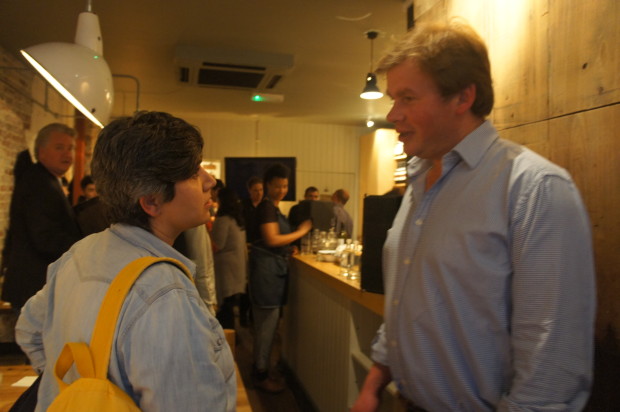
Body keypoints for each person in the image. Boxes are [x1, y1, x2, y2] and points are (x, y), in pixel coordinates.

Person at [352, 20, 596, 412]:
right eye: (392, 99)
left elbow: (552, 363)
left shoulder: (534, 188)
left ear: (463, 97)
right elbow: (406, 304)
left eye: (407, 98)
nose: (393, 114)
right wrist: (375, 382)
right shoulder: (418, 181)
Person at [15, 111, 236, 411]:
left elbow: (29, 329)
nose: (209, 180)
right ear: (151, 202)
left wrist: (76, 390)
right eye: (191, 172)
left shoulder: (80, 252)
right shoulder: (165, 294)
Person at [1, 124, 81, 311]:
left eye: (70, 148)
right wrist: (84, 245)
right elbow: (45, 238)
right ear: (41, 151)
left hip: (34, 285)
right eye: (59, 147)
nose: (67, 154)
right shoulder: (39, 184)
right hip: (33, 285)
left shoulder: (46, 180)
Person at [249, 163, 312, 393]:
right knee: (266, 328)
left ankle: (261, 368)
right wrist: (302, 232)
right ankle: (260, 376)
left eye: (285, 186)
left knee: (268, 326)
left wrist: (288, 249)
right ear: (267, 185)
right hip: (266, 276)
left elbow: (276, 243)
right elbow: (272, 239)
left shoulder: (272, 208)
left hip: (271, 272)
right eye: (277, 186)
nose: (282, 190)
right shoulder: (266, 208)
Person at [211, 187, 248, 329]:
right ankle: (234, 338)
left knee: (226, 309)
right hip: (237, 267)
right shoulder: (237, 219)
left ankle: (230, 339)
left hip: (227, 270)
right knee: (230, 305)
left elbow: (217, 245)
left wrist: (206, 233)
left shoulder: (223, 220)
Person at [242, 176, 264, 244]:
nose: (259, 193)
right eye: (256, 190)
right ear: (249, 190)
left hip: (263, 242)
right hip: (248, 242)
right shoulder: (243, 205)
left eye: (261, 190)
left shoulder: (266, 205)